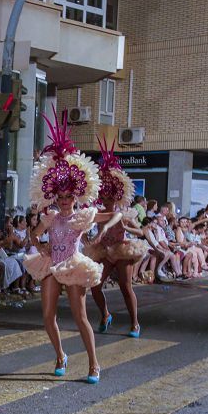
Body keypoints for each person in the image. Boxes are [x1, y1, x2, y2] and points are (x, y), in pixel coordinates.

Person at [24, 110, 121, 384]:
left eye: (68, 197)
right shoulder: (51, 217)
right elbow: (34, 234)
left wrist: (103, 227)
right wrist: (40, 245)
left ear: (75, 196)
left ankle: (94, 364)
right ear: (56, 196)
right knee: (46, 316)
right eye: (61, 197)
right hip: (53, 265)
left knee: (80, 317)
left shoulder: (82, 216)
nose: (65, 201)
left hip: (74, 266)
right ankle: (60, 356)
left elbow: (115, 215)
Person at [87, 140, 148, 338]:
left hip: (122, 251)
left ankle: (135, 323)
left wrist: (127, 226)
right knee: (95, 285)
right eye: (103, 197)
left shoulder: (125, 212)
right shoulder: (98, 212)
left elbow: (141, 233)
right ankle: (105, 315)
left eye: (109, 197)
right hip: (105, 251)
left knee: (125, 286)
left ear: (116, 197)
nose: (106, 200)